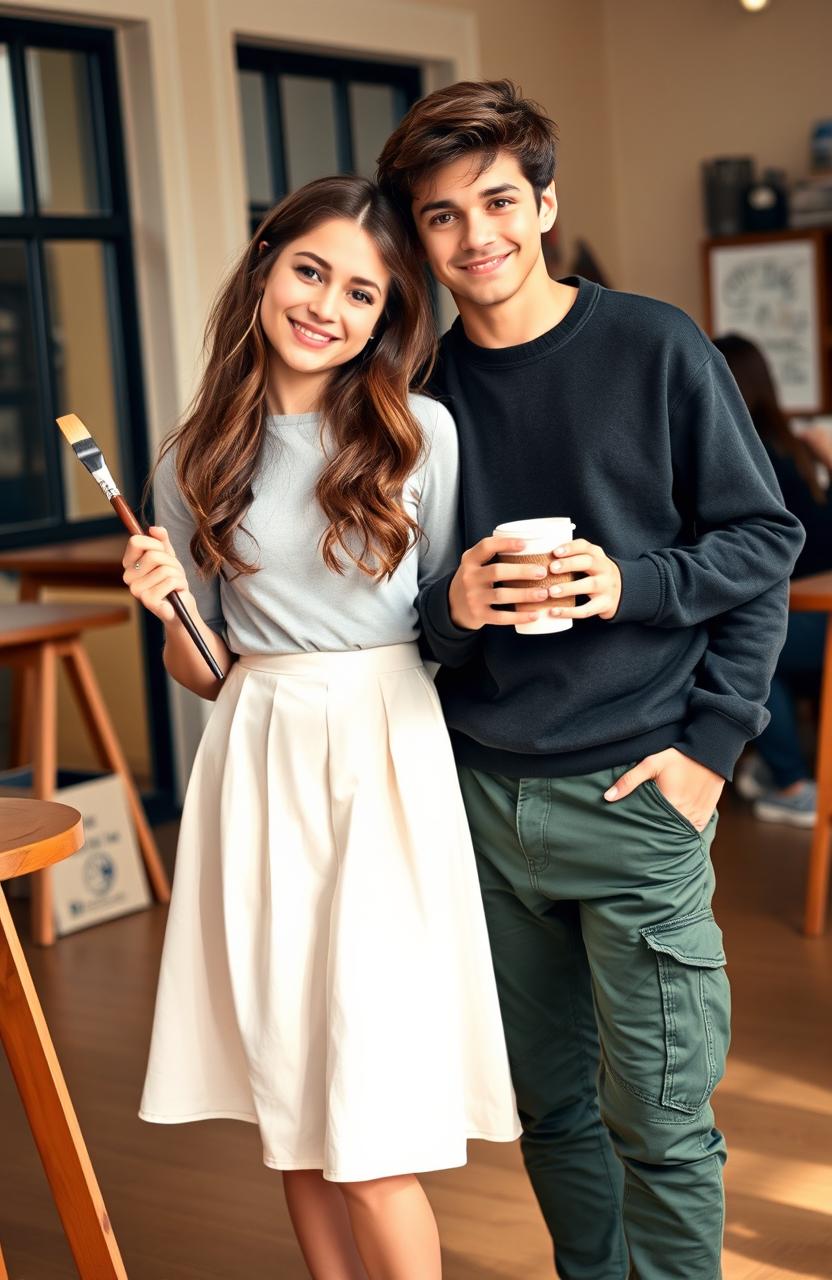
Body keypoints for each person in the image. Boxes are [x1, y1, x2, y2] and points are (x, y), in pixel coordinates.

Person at [377, 81, 805, 1279]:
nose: (478, 238)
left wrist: (706, 743)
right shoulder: (417, 401)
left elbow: (762, 542)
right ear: (418, 237)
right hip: (483, 803)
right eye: (443, 217)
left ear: (546, 203)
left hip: (635, 788)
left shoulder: (654, 344)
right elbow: (396, 625)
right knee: (549, 1108)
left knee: (661, 1121)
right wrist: (449, 613)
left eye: (500, 202)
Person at [124, 175, 519, 1280]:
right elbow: (205, 669)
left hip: (385, 750)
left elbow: (447, 616)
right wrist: (167, 608)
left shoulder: (417, 434)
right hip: (256, 752)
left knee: (373, 1118)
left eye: (361, 291)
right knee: (292, 1096)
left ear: (386, 314)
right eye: (310, 271)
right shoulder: (186, 457)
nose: (326, 306)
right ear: (265, 268)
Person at [714, 333, 830, 827]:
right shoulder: (793, 447)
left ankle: (792, 785)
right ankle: (773, 766)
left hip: (811, 620)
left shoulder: (743, 454)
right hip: (820, 615)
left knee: (749, 651)